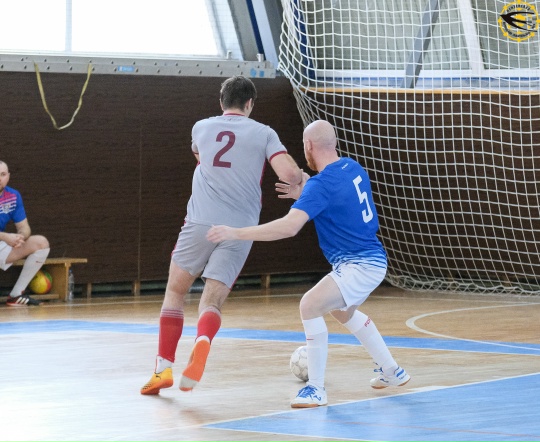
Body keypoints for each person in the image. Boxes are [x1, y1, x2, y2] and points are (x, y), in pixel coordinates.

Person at [207, 120, 410, 408]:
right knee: (341, 311)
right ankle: (392, 370)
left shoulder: (320, 185)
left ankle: (316, 389)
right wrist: (306, 195)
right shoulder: (352, 168)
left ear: (308, 146)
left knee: (309, 305)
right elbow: (339, 201)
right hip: (372, 259)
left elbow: (289, 227)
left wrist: (235, 233)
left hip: (360, 265)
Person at [140, 76, 303, 395]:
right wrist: (299, 180)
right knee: (212, 299)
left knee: (175, 291)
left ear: (221, 101)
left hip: (199, 222)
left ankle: (162, 369)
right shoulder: (264, 132)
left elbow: (201, 158)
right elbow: (289, 174)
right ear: (250, 104)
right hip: (239, 229)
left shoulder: (200, 127)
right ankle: (202, 341)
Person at [0, 161, 50, 306]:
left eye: (3, 174)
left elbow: (24, 227)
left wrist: (20, 237)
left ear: (8, 176)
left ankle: (16, 295)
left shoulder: (13, 196)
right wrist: (5, 237)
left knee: (41, 243)